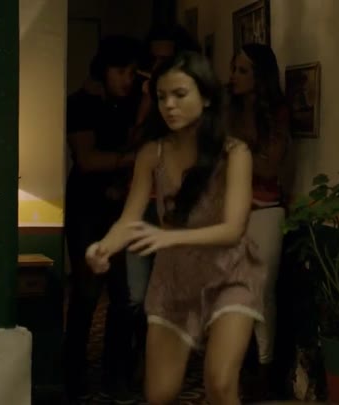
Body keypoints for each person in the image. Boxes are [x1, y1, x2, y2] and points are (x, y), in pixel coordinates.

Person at [86, 51, 265, 405]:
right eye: (162, 97)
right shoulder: (151, 153)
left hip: (229, 274)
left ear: (207, 97)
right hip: (174, 278)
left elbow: (233, 229)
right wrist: (103, 247)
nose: (169, 105)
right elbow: (130, 219)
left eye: (180, 94)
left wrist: (168, 236)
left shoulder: (235, 152)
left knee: (220, 383)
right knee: (159, 394)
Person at [63, 35, 141, 401]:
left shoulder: (129, 103)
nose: (128, 79)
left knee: (124, 294)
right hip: (86, 206)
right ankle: (74, 376)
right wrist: (132, 160)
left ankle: (115, 375)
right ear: (104, 70)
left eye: (132, 72)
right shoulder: (80, 103)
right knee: (86, 292)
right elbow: (87, 160)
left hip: (121, 204)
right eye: (121, 71)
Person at [125, 24, 203, 373]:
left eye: (166, 59)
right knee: (137, 293)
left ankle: (170, 362)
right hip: (143, 208)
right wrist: (147, 101)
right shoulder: (145, 99)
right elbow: (132, 144)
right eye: (154, 59)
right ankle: (142, 361)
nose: (158, 66)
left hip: (180, 211)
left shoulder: (194, 107)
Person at [227, 42, 291, 399]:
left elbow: (269, 167)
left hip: (265, 210)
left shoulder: (275, 112)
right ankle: (239, 368)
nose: (233, 77)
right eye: (233, 69)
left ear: (260, 76)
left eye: (242, 71)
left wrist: (235, 149)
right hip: (230, 212)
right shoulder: (227, 109)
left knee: (261, 291)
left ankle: (265, 370)